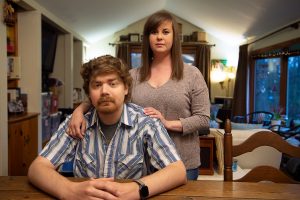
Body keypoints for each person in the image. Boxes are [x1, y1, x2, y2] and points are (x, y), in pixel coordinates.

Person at [68, 10, 210, 180]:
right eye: (153, 32)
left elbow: (203, 120)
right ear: (147, 38)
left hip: (184, 163)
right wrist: (78, 112)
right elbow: (103, 95)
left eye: (165, 32)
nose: (159, 37)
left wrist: (166, 123)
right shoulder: (133, 76)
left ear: (175, 37)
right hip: (141, 164)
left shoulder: (192, 74)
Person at [28, 55, 187, 200]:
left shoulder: (146, 123)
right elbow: (37, 169)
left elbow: (178, 171)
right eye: (97, 85)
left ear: (125, 88)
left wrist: (136, 189)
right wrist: (70, 190)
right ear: (89, 93)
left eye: (112, 83)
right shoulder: (76, 123)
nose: (104, 91)